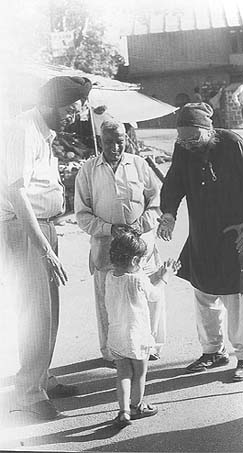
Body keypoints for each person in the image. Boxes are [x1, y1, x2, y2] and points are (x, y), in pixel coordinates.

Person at [157, 102, 243, 382]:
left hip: (237, 233)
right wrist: (168, 213)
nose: (188, 144)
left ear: (208, 131)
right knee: (204, 293)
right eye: (182, 139)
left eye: (193, 138)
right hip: (202, 233)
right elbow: (174, 182)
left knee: (236, 297)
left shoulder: (232, 143)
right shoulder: (184, 148)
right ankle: (212, 351)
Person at [0, 75, 92, 420]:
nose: (75, 114)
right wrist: (42, 247)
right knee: (35, 313)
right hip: (25, 231)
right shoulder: (23, 129)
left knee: (48, 310)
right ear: (51, 105)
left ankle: (41, 376)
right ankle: (29, 392)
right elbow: (16, 191)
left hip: (43, 229)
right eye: (71, 108)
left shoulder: (43, 131)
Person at [74, 119, 165, 362]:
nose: (114, 147)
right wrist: (109, 228)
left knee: (147, 295)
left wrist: (140, 225)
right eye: (108, 142)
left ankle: (150, 346)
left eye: (119, 141)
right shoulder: (88, 170)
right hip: (107, 248)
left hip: (140, 246)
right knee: (109, 302)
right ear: (100, 141)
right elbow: (82, 215)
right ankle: (113, 352)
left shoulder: (138, 164)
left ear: (127, 139)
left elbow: (156, 202)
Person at [105, 230, 180, 428]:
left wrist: (158, 274)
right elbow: (153, 294)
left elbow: (137, 287)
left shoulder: (110, 276)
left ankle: (123, 411)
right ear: (137, 260)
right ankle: (137, 406)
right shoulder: (137, 278)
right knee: (139, 372)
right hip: (137, 334)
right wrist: (165, 276)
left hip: (117, 335)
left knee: (122, 373)